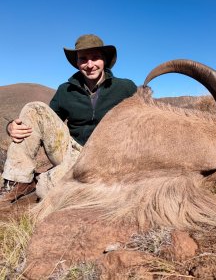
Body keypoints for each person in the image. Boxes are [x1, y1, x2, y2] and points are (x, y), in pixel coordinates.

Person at [0, 34, 137, 202]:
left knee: (45, 191)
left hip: (107, 154)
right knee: (34, 108)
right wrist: (11, 126)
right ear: (77, 62)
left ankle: (39, 181)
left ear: (104, 60)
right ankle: (17, 181)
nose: (90, 65)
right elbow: (46, 122)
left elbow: (144, 117)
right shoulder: (65, 90)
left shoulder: (125, 87)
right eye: (83, 59)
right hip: (72, 150)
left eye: (95, 58)